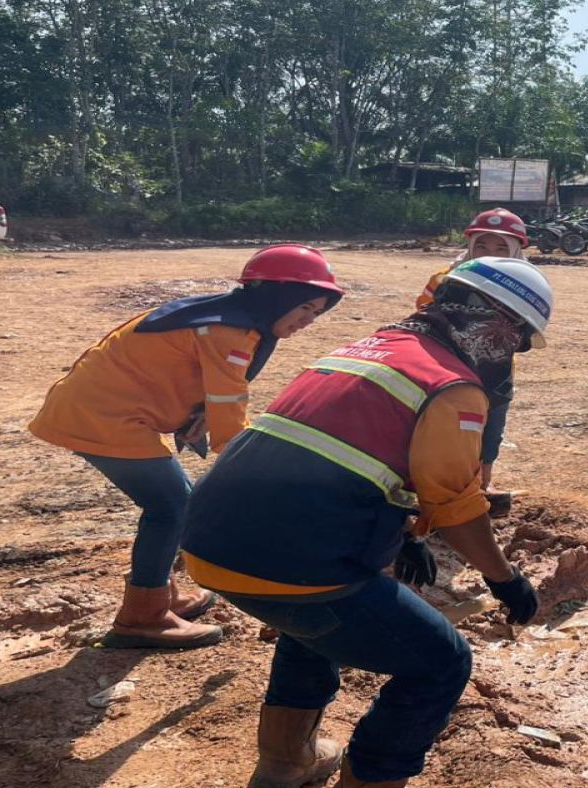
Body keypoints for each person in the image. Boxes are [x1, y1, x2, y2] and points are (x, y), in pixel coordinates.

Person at [180, 256, 552, 788]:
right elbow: (456, 505)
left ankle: (285, 763)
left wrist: (404, 533)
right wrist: (505, 578)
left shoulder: (365, 351)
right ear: (499, 324)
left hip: (210, 542)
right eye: (517, 341)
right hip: (292, 563)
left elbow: (350, 456)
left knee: (309, 630)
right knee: (441, 663)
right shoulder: (453, 386)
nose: (511, 355)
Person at [28, 245, 344, 649]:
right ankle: (142, 617)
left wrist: (201, 418)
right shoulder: (230, 331)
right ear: (277, 296)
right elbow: (230, 416)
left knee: (177, 504)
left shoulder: (223, 314)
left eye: (317, 313)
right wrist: (270, 479)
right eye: (305, 307)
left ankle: (158, 592)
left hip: (102, 408)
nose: (308, 321)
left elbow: (202, 388)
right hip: (102, 417)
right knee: (172, 508)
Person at [416, 209, 530, 516]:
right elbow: (424, 314)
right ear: (470, 245)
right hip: (448, 370)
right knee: (450, 429)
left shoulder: (525, 285)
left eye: (501, 247)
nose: (489, 253)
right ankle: (442, 494)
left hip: (495, 374)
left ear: (516, 250)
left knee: (491, 431)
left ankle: (481, 488)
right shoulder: (444, 278)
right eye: (482, 245)